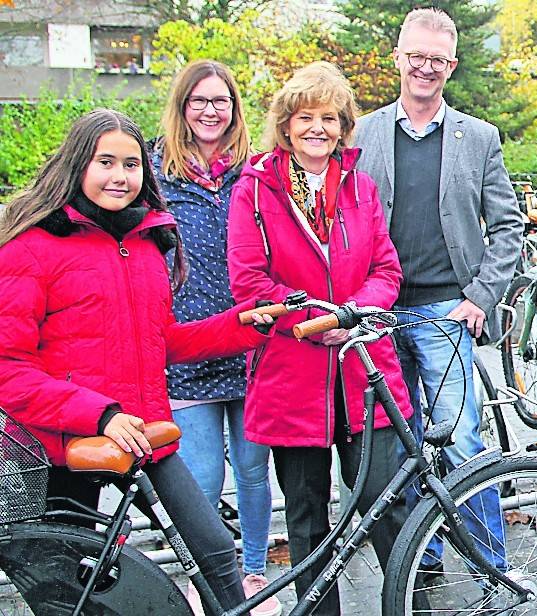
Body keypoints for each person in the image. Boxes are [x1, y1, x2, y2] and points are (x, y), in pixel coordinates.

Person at [0, 108, 274, 614]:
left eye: (131, 164)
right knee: (67, 586)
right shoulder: (30, 248)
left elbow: (158, 343)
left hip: (145, 431)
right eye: (107, 162)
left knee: (214, 550)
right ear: (77, 164)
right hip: (65, 445)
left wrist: (243, 325)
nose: (121, 177)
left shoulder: (146, 245)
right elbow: (9, 370)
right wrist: (99, 413)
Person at [226, 61, 412, 616]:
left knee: (387, 505)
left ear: (343, 126)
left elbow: (387, 270)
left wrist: (351, 315)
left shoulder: (362, 186)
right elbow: (249, 281)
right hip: (292, 372)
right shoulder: (254, 192)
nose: (318, 128)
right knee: (307, 519)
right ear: (285, 125)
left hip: (362, 368)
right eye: (305, 116)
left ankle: (409, 605)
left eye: (329, 118)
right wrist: (310, 317)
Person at [352, 6, 522, 573]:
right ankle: (417, 558)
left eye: (436, 59)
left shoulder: (479, 138)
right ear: (398, 58)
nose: (424, 68)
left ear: (451, 65)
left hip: (447, 308)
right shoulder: (362, 133)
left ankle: (488, 564)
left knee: (461, 442)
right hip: (377, 311)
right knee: (396, 446)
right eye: (415, 56)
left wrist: (480, 296)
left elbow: (507, 227)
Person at [152, 59, 281, 616]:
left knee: (254, 472)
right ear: (183, 107)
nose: (210, 110)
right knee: (200, 478)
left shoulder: (252, 174)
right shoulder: (157, 175)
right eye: (199, 101)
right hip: (188, 346)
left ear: (234, 109)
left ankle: (254, 575)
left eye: (220, 101)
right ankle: (206, 578)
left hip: (249, 342)